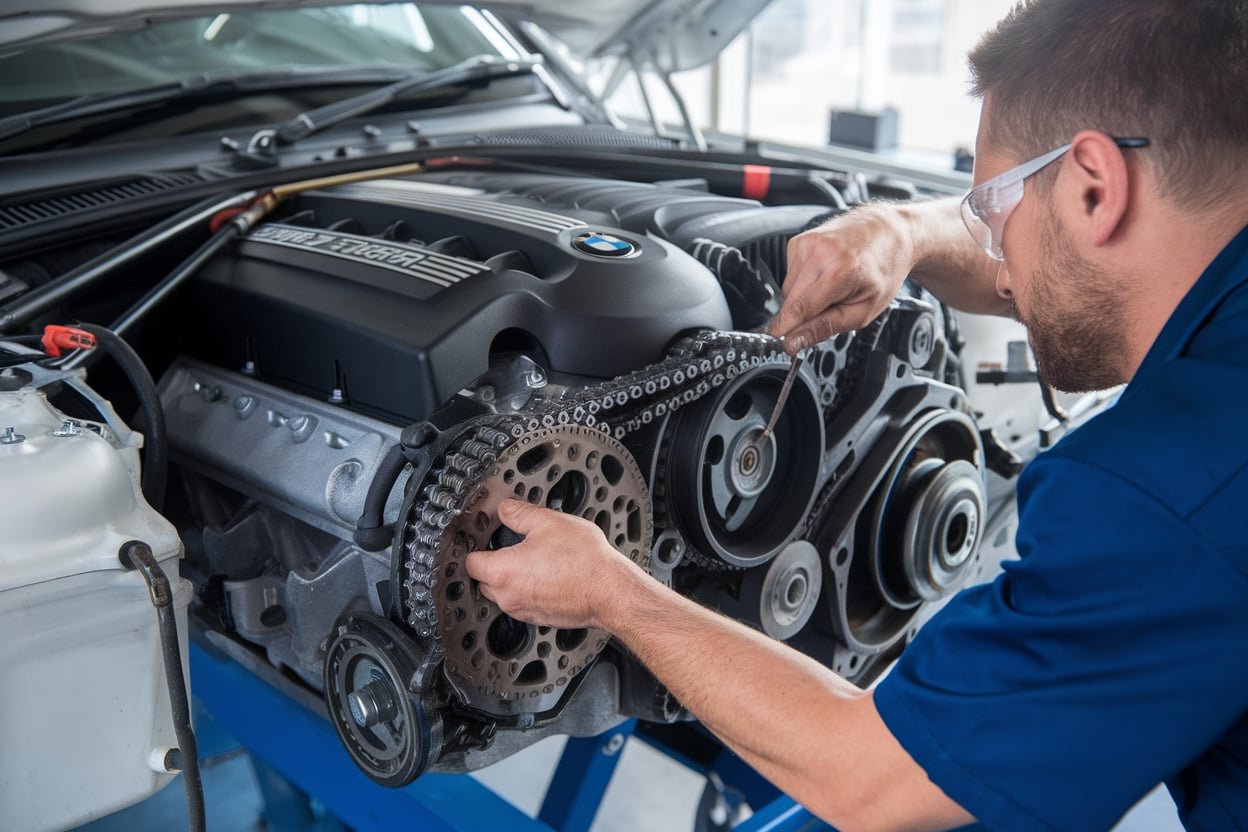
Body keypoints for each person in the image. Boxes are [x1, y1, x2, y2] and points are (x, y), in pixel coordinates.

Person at [466, 1, 1248, 829]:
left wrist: (610, 592)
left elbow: (875, 779)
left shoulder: (1168, 494)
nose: (1002, 275)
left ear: (1095, 187)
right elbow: (1054, 263)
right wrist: (901, 228)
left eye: (995, 214)